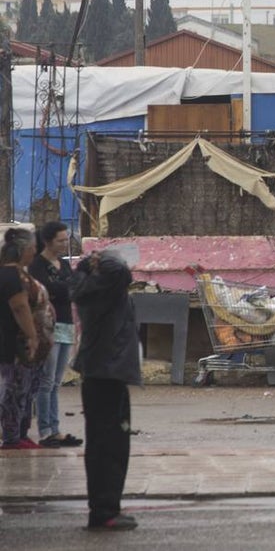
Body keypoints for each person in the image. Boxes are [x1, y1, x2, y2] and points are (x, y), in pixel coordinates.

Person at [72, 251, 142, 531]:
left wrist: (89, 265)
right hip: (108, 375)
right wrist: (104, 261)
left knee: (101, 445)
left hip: (99, 374)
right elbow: (121, 274)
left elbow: (114, 274)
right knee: (111, 446)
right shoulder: (106, 292)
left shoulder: (89, 292)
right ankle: (105, 510)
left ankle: (103, 507)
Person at [31, 221, 82, 448]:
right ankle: (45, 430)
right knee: (46, 380)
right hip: (47, 326)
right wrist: (63, 289)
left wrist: (61, 289)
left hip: (66, 324)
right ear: (48, 241)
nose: (64, 244)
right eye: (60, 240)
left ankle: (55, 427)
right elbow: (48, 290)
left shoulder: (63, 264)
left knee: (56, 381)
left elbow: (71, 289)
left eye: (65, 240)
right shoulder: (37, 265)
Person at [0, 227, 42, 450]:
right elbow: (19, 307)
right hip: (12, 342)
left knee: (18, 389)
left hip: (12, 341)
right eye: (33, 249)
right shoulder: (11, 276)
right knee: (13, 390)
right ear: (23, 250)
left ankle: (16, 434)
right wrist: (32, 335)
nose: (34, 253)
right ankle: (11, 437)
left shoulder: (14, 273)